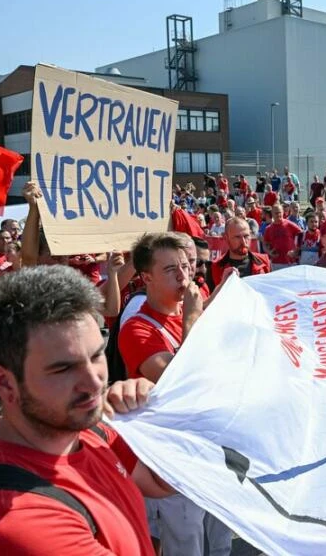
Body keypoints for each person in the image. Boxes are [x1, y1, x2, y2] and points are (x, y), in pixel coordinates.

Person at [0, 266, 169, 554]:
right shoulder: (12, 517)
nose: (94, 381)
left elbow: (163, 481)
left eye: (97, 355)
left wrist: (153, 414)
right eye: (63, 368)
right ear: (4, 381)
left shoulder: (86, 430)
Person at [116, 235, 231, 555]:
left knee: (220, 542)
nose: (184, 276)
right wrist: (193, 317)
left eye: (185, 266)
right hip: (168, 460)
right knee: (186, 544)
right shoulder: (138, 329)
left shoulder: (195, 308)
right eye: (170, 269)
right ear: (146, 277)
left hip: (208, 445)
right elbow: (182, 380)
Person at [209, 217, 270, 290]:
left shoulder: (263, 260)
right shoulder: (216, 267)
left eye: (246, 236)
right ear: (226, 238)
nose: (243, 242)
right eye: (237, 237)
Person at [263, 203, 303, 270]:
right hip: (276, 263)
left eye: (280, 212)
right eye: (276, 213)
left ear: (283, 212)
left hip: (291, 262)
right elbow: (264, 244)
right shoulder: (268, 229)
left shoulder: (289, 224)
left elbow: (301, 234)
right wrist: (269, 252)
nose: (278, 215)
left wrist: (296, 251)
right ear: (272, 214)